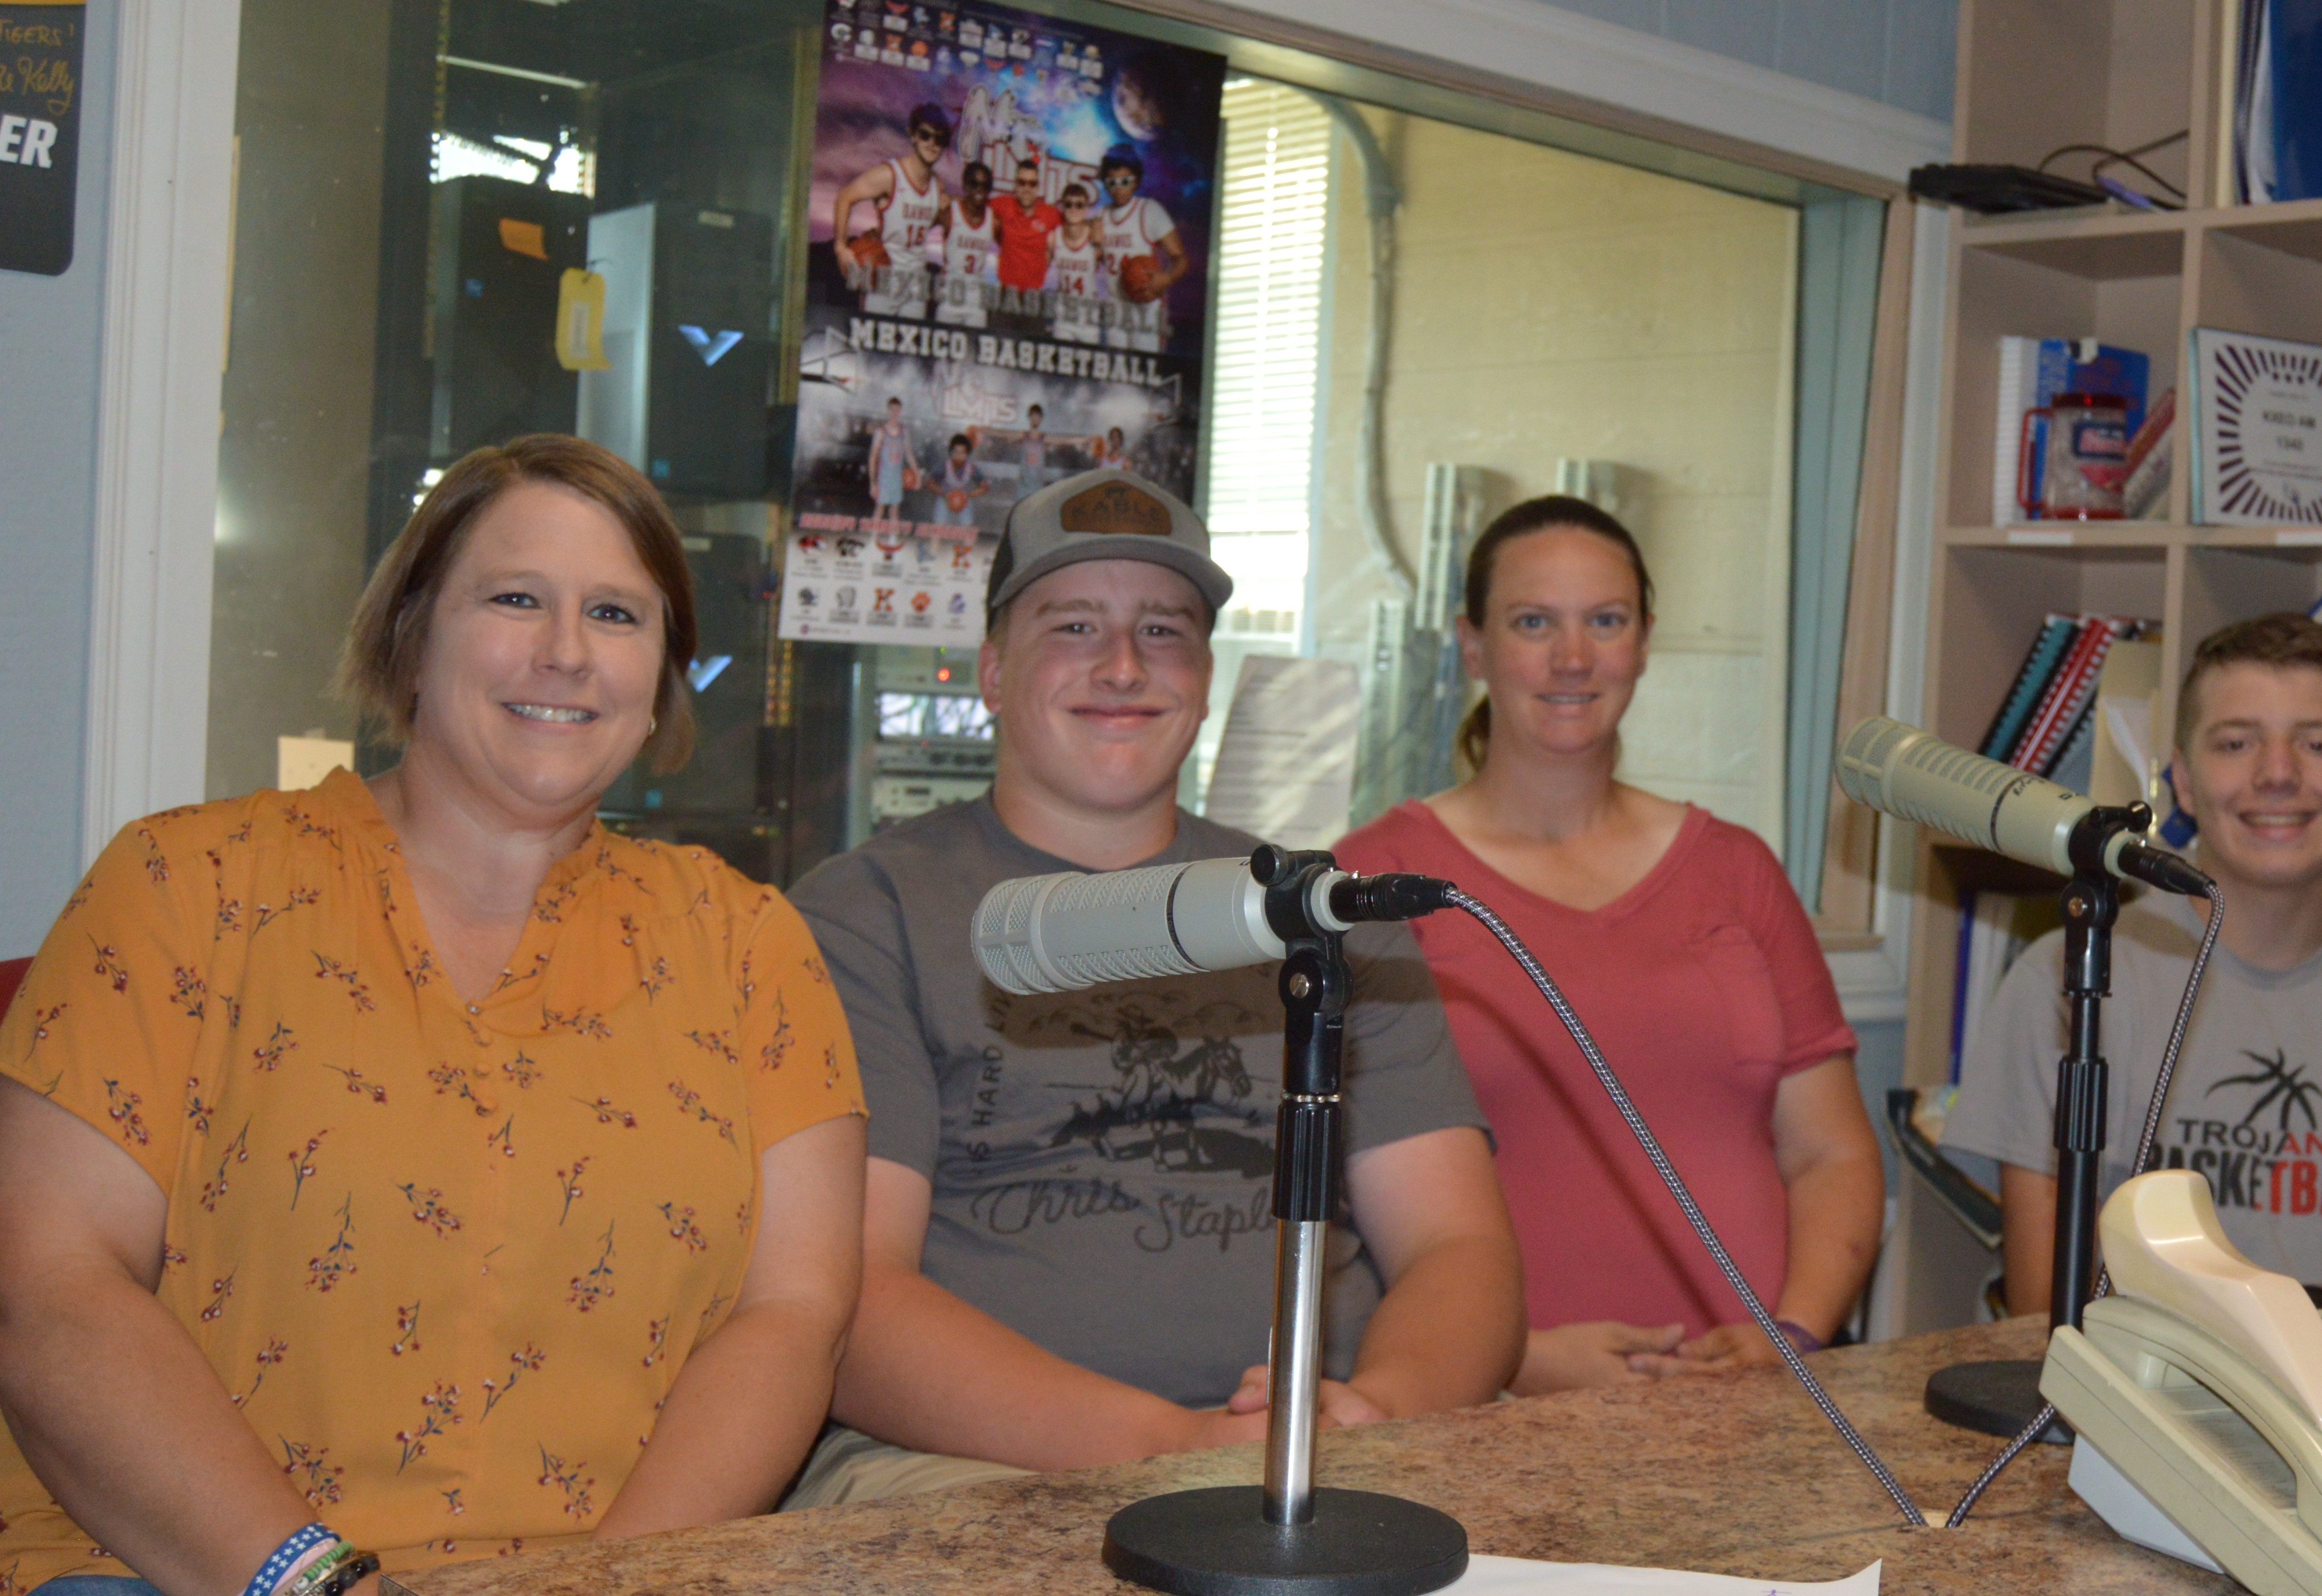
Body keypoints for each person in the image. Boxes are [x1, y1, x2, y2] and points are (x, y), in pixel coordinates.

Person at [0, 435, 867, 1594]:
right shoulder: (183, 887)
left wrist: (600, 1589)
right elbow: (50, 1286)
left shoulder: (748, 945)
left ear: (663, 674)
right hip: (181, 1570)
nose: (565, 652)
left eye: (617, 615)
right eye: (515, 599)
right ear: (410, 634)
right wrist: (315, 1583)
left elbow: (792, 1316)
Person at [781, 469, 1523, 1505]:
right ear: (993, 672)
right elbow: (846, 1304)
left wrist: (1380, 1411)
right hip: (973, 1469)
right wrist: (1176, 1445)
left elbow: (1458, 1247)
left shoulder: (1324, 915)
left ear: (1208, 676)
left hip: (1336, 1449)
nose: (1124, 666)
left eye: (1165, 631)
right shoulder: (867, 915)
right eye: (1074, 626)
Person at [1334, 495, 1884, 1395]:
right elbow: (1332, 1213)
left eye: (1604, 621)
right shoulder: (1374, 883)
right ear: (1471, 645)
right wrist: (1509, 1359)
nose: (1573, 658)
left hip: (1748, 1408)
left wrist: (1791, 1333)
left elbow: (1829, 1152)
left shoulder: (1735, 871)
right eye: (1531, 623)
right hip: (1482, 1411)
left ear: (1643, 640)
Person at [1943, 613, 2322, 1311]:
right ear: (2181, 777)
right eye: (2236, 742)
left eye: (2316, 743)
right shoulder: (2067, 984)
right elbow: (2042, 1328)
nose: (2276, 773)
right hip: (2138, 1408)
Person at [831, 102, 951, 318]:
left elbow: (922, 222)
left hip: (915, 285)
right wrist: (841, 247)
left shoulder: (937, 186)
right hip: (883, 280)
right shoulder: (889, 175)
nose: (932, 144)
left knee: (908, 350)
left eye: (940, 139)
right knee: (871, 348)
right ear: (913, 136)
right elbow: (845, 197)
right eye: (925, 135)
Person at [1097, 147, 1187, 353]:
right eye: (1112, 183)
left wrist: (1166, 278)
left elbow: (1181, 258)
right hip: (1115, 308)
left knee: (1146, 373)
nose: (1119, 188)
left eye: (1125, 181)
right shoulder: (1101, 216)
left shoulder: (1150, 211)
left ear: (1136, 181)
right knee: (1114, 374)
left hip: (1145, 308)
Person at [934, 161, 999, 330]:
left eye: (985, 186)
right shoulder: (949, 213)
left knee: (971, 354)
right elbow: (919, 227)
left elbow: (1010, 250)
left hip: (975, 301)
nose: (980, 189)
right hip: (949, 296)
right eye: (975, 184)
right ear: (965, 185)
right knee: (943, 355)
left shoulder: (994, 221)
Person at [988, 159, 1062, 304]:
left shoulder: (1050, 214)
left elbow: (1075, 224)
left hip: (1034, 296)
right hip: (1006, 294)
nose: (1027, 188)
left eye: (1032, 184)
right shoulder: (1003, 205)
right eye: (1022, 183)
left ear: (1038, 187)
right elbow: (971, 204)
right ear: (1015, 184)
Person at [1045, 181, 1103, 345]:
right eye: (1069, 204)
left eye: (1079, 205)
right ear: (1062, 207)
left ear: (1086, 209)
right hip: (1063, 317)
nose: (1074, 209)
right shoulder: (1054, 237)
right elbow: (1039, 269)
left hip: (1089, 319)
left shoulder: (1096, 237)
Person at [865, 397, 915, 526]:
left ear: (900, 411)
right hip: (883, 477)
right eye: (892, 409)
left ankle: (893, 540)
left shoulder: (904, 431)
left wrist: (917, 473)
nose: (895, 412)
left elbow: (909, 453)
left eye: (897, 409)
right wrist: (873, 483)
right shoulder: (881, 431)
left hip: (897, 478)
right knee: (880, 509)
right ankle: (873, 540)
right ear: (888, 410)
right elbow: (873, 457)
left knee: (895, 511)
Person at [931, 433, 988, 527]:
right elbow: (930, 483)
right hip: (945, 498)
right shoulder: (944, 466)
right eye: (956, 452)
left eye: (962, 453)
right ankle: (935, 542)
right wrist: (945, 494)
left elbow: (985, 487)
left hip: (963, 499)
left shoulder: (972, 468)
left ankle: (967, 540)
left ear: (967, 454)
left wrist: (968, 495)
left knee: (968, 531)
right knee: (938, 528)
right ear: (951, 452)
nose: (959, 456)